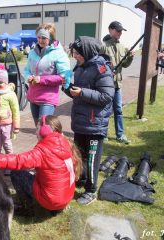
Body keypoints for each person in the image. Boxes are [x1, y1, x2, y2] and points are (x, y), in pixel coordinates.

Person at [0, 115, 82, 216]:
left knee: (16, 173)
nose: (36, 132)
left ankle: (28, 208)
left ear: (44, 131)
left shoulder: (42, 151)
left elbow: (17, 160)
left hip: (51, 201)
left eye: (37, 128)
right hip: (65, 198)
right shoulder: (65, 142)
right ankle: (56, 208)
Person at [64, 36, 115, 205]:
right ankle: (82, 178)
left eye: (78, 53)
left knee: (92, 158)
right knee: (80, 154)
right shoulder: (80, 66)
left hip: (95, 123)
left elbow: (107, 96)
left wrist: (82, 93)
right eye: (74, 53)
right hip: (80, 121)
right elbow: (79, 92)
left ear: (87, 52)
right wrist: (67, 88)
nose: (75, 56)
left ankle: (91, 190)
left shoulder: (102, 69)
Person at [24, 23, 72, 125]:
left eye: (44, 38)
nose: (41, 40)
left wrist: (41, 79)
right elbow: (27, 70)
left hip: (48, 99)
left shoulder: (58, 53)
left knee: (44, 129)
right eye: (39, 37)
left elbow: (65, 77)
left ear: (50, 38)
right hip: (33, 97)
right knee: (38, 129)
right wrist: (28, 77)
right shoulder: (32, 52)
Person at [100, 21, 134, 144]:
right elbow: (99, 65)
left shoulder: (121, 47)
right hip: (107, 85)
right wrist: (107, 71)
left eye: (121, 31)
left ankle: (120, 134)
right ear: (111, 30)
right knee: (106, 110)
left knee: (118, 110)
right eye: (118, 30)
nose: (120, 33)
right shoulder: (103, 46)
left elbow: (125, 65)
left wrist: (130, 57)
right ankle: (103, 134)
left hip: (118, 85)